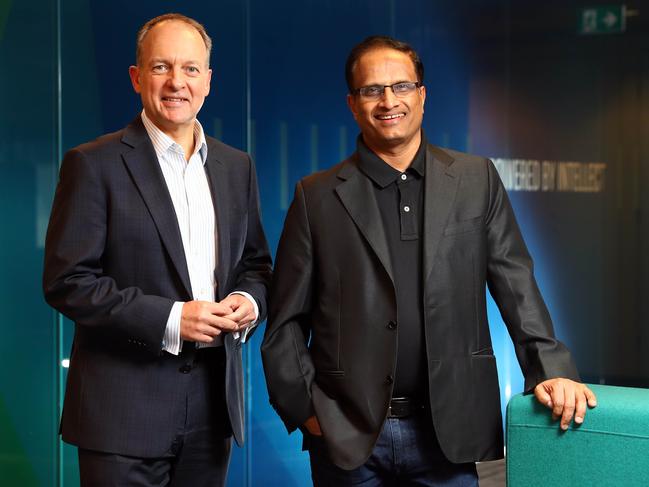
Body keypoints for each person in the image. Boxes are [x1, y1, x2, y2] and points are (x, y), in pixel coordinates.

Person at [261, 35, 596, 486]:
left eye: (401, 86)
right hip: (349, 437)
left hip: (450, 431)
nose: (388, 101)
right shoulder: (316, 196)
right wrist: (307, 413)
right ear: (352, 103)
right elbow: (284, 324)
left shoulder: (476, 179)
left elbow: (516, 283)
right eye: (371, 90)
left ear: (422, 95)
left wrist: (551, 370)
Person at [43, 13, 271, 486]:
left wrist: (248, 303)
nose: (176, 82)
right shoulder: (92, 164)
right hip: (120, 416)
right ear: (137, 77)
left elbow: (255, 266)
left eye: (190, 69)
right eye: (161, 67)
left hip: (213, 411)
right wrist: (173, 319)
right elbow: (68, 282)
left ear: (208, 81)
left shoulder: (236, 166)